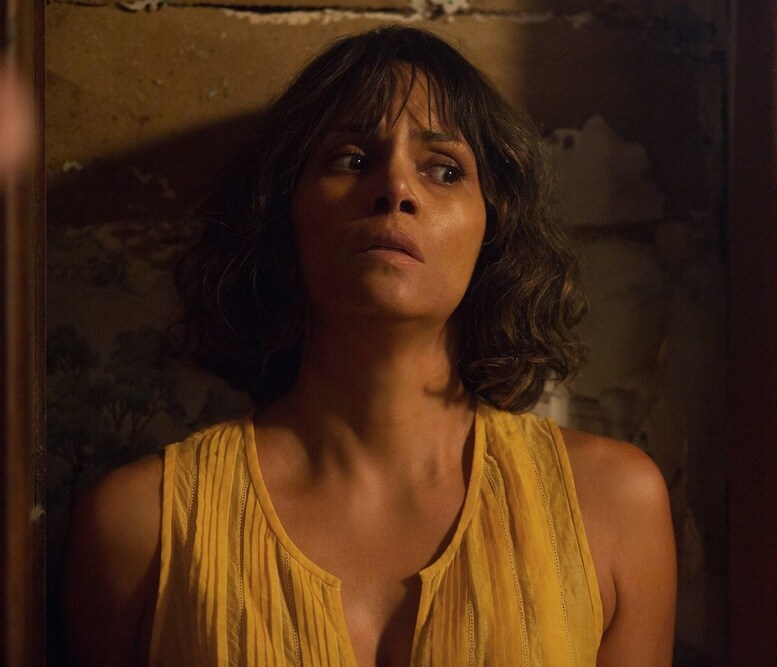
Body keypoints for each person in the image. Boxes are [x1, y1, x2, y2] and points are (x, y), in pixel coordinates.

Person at [62, 25, 676, 665]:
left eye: (444, 170)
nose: (396, 189)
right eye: (351, 160)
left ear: (493, 230)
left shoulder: (611, 507)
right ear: (284, 213)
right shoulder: (142, 527)